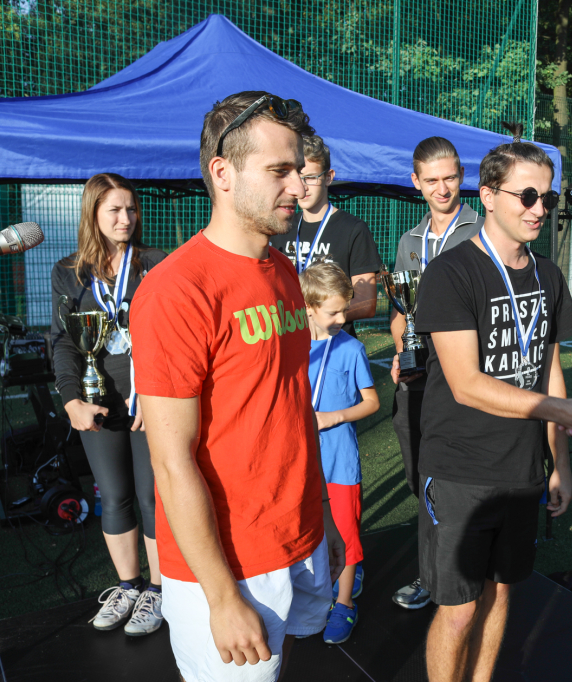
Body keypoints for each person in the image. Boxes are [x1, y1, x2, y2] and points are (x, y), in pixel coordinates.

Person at [131, 91, 345, 682]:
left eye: (299, 170)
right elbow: (170, 462)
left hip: (298, 533)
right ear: (222, 173)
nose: (298, 187)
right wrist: (221, 596)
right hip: (230, 565)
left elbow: (291, 410)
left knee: (285, 661)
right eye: (279, 171)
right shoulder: (176, 290)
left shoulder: (284, 272)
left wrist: (321, 516)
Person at [412, 141, 572, 682]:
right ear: (487, 196)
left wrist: (560, 465)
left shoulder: (548, 275)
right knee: (459, 612)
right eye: (527, 195)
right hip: (460, 470)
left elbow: (550, 368)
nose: (539, 209)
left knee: (500, 595)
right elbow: (467, 385)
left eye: (548, 198)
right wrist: (564, 410)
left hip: (523, 470)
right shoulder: (452, 273)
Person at [51, 172, 167, 636]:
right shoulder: (69, 272)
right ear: (93, 214)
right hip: (97, 403)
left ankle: (158, 591)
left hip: (150, 403)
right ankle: (129, 586)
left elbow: (172, 337)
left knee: (152, 496)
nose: (125, 218)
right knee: (114, 496)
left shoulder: (155, 263)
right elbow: (62, 342)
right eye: (114, 210)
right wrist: (71, 401)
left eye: (131, 209)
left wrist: (156, 394)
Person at [388, 136, 485, 610]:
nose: (441, 189)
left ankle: (442, 577)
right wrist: (400, 351)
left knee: (451, 481)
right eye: (431, 180)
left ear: (461, 176)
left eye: (449, 178)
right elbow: (399, 310)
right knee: (419, 476)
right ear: (416, 182)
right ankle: (437, 571)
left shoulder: (482, 231)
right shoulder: (410, 240)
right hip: (417, 378)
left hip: (461, 379)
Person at [299, 261, 380, 644]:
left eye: (344, 310)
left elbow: (372, 402)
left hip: (339, 463)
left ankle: (344, 603)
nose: (343, 319)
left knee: (346, 534)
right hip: (302, 461)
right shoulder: (292, 347)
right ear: (308, 307)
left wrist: (334, 417)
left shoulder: (351, 348)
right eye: (334, 312)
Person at [269, 134, 383, 337]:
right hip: (289, 339)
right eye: (297, 177)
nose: (302, 186)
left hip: (333, 345)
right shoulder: (281, 227)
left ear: (328, 177)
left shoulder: (353, 229)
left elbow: (366, 303)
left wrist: (315, 317)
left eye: (310, 177)